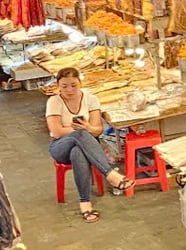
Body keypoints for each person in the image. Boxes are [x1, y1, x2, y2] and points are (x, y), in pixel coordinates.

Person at [46, 67, 134, 222]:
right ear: (58, 86)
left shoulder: (91, 99)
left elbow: (98, 130)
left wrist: (88, 128)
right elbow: (56, 132)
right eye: (64, 86)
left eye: (73, 85)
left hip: (85, 145)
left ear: (80, 83)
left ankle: (85, 203)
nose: (69, 90)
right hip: (60, 146)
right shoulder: (54, 101)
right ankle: (110, 174)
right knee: (80, 135)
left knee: (78, 153)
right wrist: (79, 130)